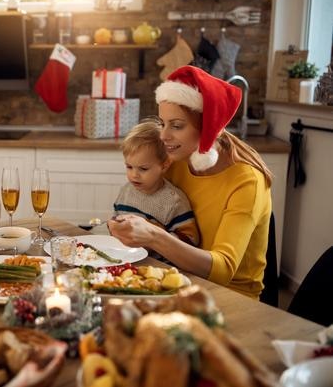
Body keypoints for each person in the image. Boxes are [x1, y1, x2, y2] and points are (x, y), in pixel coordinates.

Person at [108, 66, 272, 299]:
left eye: (176, 126)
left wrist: (154, 236)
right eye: (163, 123)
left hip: (229, 297)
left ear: (207, 127)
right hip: (174, 280)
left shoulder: (247, 182)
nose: (164, 136)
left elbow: (222, 271)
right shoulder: (177, 159)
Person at [114, 119, 199, 247]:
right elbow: (116, 218)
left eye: (143, 169)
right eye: (129, 167)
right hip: (126, 259)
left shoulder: (174, 202)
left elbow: (191, 240)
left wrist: (154, 240)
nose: (134, 175)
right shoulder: (126, 190)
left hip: (158, 265)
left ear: (164, 166)